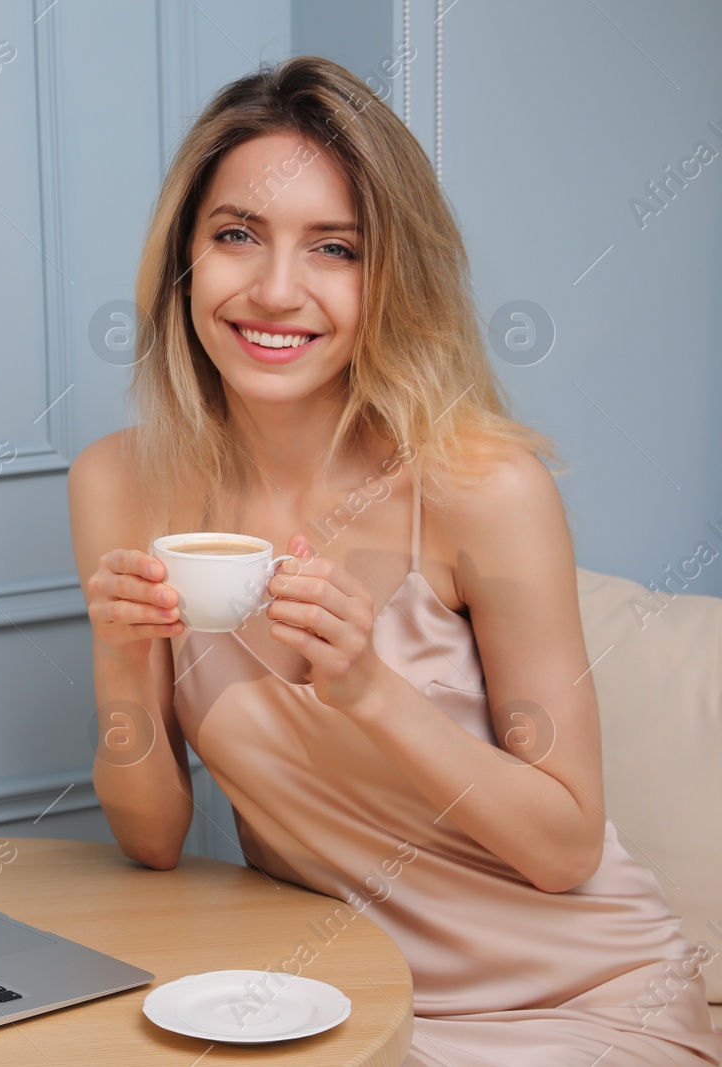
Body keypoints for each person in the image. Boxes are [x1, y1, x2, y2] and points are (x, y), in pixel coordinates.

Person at [67, 56, 719, 1066]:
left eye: (334, 249)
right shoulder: (122, 484)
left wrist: (370, 687)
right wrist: (117, 651)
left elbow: (563, 845)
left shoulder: (483, 489)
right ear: (185, 259)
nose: (275, 290)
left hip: (583, 1001)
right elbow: (152, 837)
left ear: (391, 276)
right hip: (337, 1004)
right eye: (235, 234)